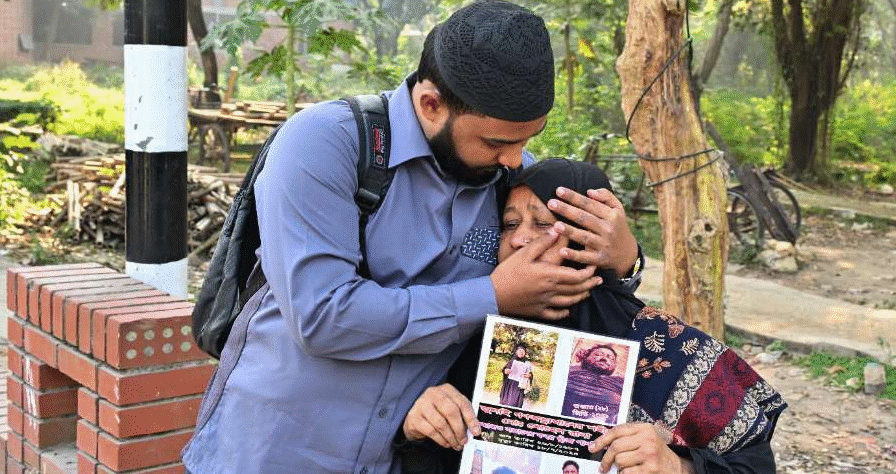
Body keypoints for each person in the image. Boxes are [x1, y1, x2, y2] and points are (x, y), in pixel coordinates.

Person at [181, 2, 642, 473]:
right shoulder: (326, 144)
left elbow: (571, 300)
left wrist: (625, 259)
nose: (515, 160)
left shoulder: (510, 182)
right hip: (280, 451)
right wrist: (494, 296)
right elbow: (321, 316)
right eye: (496, 144)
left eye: (527, 141)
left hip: (401, 456)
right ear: (431, 104)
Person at [398, 159, 787, 474]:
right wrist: (422, 426)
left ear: (590, 237)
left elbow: (752, 464)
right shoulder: (473, 337)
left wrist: (679, 465)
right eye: (510, 224)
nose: (518, 239)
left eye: (544, 224)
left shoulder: (665, 345)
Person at [561, 344, 623, 423]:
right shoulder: (570, 370)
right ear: (586, 357)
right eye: (598, 354)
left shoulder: (621, 382)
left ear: (614, 365)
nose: (604, 359)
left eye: (610, 358)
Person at [499, 343, 533, 407]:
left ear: (525, 353)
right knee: (506, 403)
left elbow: (531, 374)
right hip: (509, 385)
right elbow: (504, 370)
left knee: (516, 404)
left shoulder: (527, 363)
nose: (521, 352)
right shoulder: (511, 361)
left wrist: (529, 375)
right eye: (520, 350)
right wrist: (505, 371)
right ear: (516, 351)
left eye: (523, 351)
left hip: (520, 386)